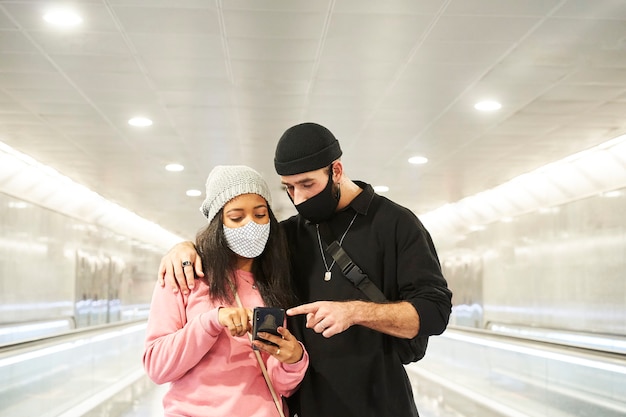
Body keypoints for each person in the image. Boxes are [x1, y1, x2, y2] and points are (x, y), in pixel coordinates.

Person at [158, 123, 453, 417]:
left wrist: (354, 312)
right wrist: (183, 248)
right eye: (289, 188)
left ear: (336, 170)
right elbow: (230, 251)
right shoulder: (285, 236)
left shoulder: (396, 224)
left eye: (307, 184)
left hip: (381, 403)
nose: (298, 198)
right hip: (305, 404)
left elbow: (434, 312)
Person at [144, 165, 309, 417]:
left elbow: (280, 387)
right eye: (236, 217)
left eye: (260, 214)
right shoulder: (186, 274)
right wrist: (210, 322)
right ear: (217, 222)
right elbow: (157, 366)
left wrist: (294, 360)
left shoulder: (276, 280)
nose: (250, 224)